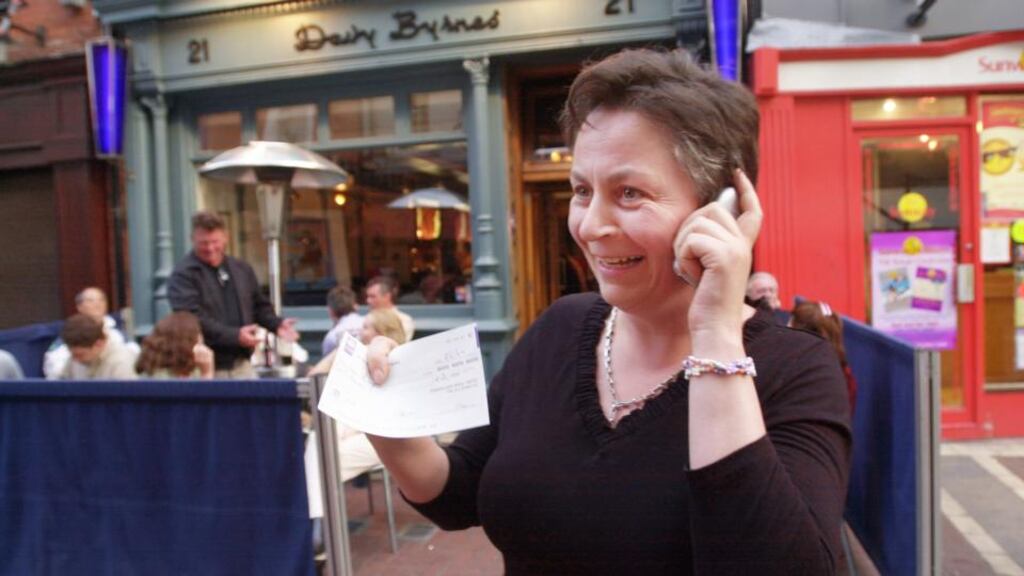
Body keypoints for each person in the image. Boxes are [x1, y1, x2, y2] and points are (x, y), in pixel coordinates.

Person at [362, 49, 851, 573]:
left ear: (721, 209)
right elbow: (459, 491)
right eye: (581, 190)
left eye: (630, 193)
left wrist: (714, 335)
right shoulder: (561, 327)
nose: (591, 225)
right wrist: (388, 419)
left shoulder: (798, 371)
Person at [168, 212, 299, 378]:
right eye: (203, 243)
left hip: (243, 363)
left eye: (215, 242)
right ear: (192, 239)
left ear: (226, 238)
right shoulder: (183, 275)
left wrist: (277, 324)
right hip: (205, 366)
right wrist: (235, 336)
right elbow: (191, 317)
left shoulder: (241, 269)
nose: (210, 248)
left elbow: (258, 305)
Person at [43, 286, 138, 379]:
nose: (97, 304)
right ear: (79, 306)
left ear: (99, 344)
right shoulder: (72, 353)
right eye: (90, 301)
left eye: (101, 300)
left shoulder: (121, 360)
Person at [790, 300, 857, 415]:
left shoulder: (806, 374)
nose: (786, 327)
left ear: (803, 333)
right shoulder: (844, 372)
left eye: (790, 324)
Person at [135, 312, 215, 379]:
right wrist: (207, 373)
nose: (201, 341)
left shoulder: (193, 371)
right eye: (198, 334)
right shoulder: (160, 378)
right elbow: (200, 397)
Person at [58, 314, 137, 380]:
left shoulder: (121, 361)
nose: (75, 360)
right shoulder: (74, 359)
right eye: (72, 355)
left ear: (99, 344)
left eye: (80, 355)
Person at [365, 275, 414, 342]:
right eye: (367, 296)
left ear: (387, 296)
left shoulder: (404, 320)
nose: (368, 301)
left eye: (373, 296)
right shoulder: (368, 317)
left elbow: (398, 343)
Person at [321, 286, 363, 357]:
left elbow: (327, 366)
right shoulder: (370, 324)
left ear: (330, 311)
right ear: (355, 306)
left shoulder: (331, 337)